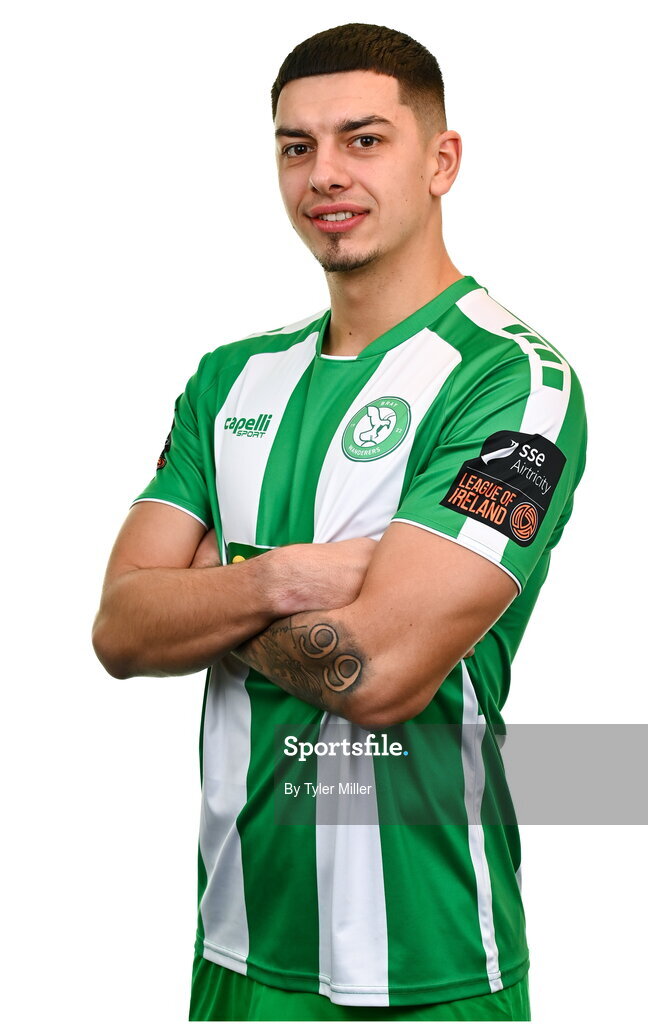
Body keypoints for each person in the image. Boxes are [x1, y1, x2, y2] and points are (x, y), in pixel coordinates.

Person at [92, 22, 586, 1022]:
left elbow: (377, 673)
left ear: (441, 159)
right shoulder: (229, 380)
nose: (326, 175)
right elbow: (119, 630)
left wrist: (204, 597)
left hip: (431, 963)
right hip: (237, 948)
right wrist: (281, 580)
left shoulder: (510, 381)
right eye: (296, 145)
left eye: (364, 140)